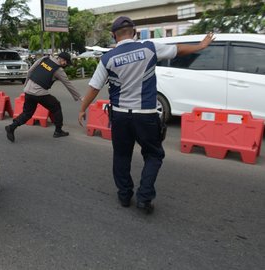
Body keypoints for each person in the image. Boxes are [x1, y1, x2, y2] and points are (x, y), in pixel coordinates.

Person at [78, 16, 215, 213]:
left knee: (122, 156)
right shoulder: (149, 48)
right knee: (153, 155)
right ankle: (144, 197)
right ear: (134, 32)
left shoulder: (107, 58)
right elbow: (178, 50)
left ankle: (125, 196)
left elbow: (93, 88)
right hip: (146, 115)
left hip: (120, 116)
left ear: (113, 36)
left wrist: (83, 109)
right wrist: (200, 46)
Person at [5, 52, 82, 142]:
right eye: (66, 62)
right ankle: (58, 131)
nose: (66, 64)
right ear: (61, 59)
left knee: (27, 113)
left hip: (28, 91)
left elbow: (30, 71)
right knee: (56, 106)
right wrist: (79, 97)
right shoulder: (58, 70)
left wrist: (26, 85)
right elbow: (68, 85)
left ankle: (11, 127)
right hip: (39, 92)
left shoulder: (44, 59)